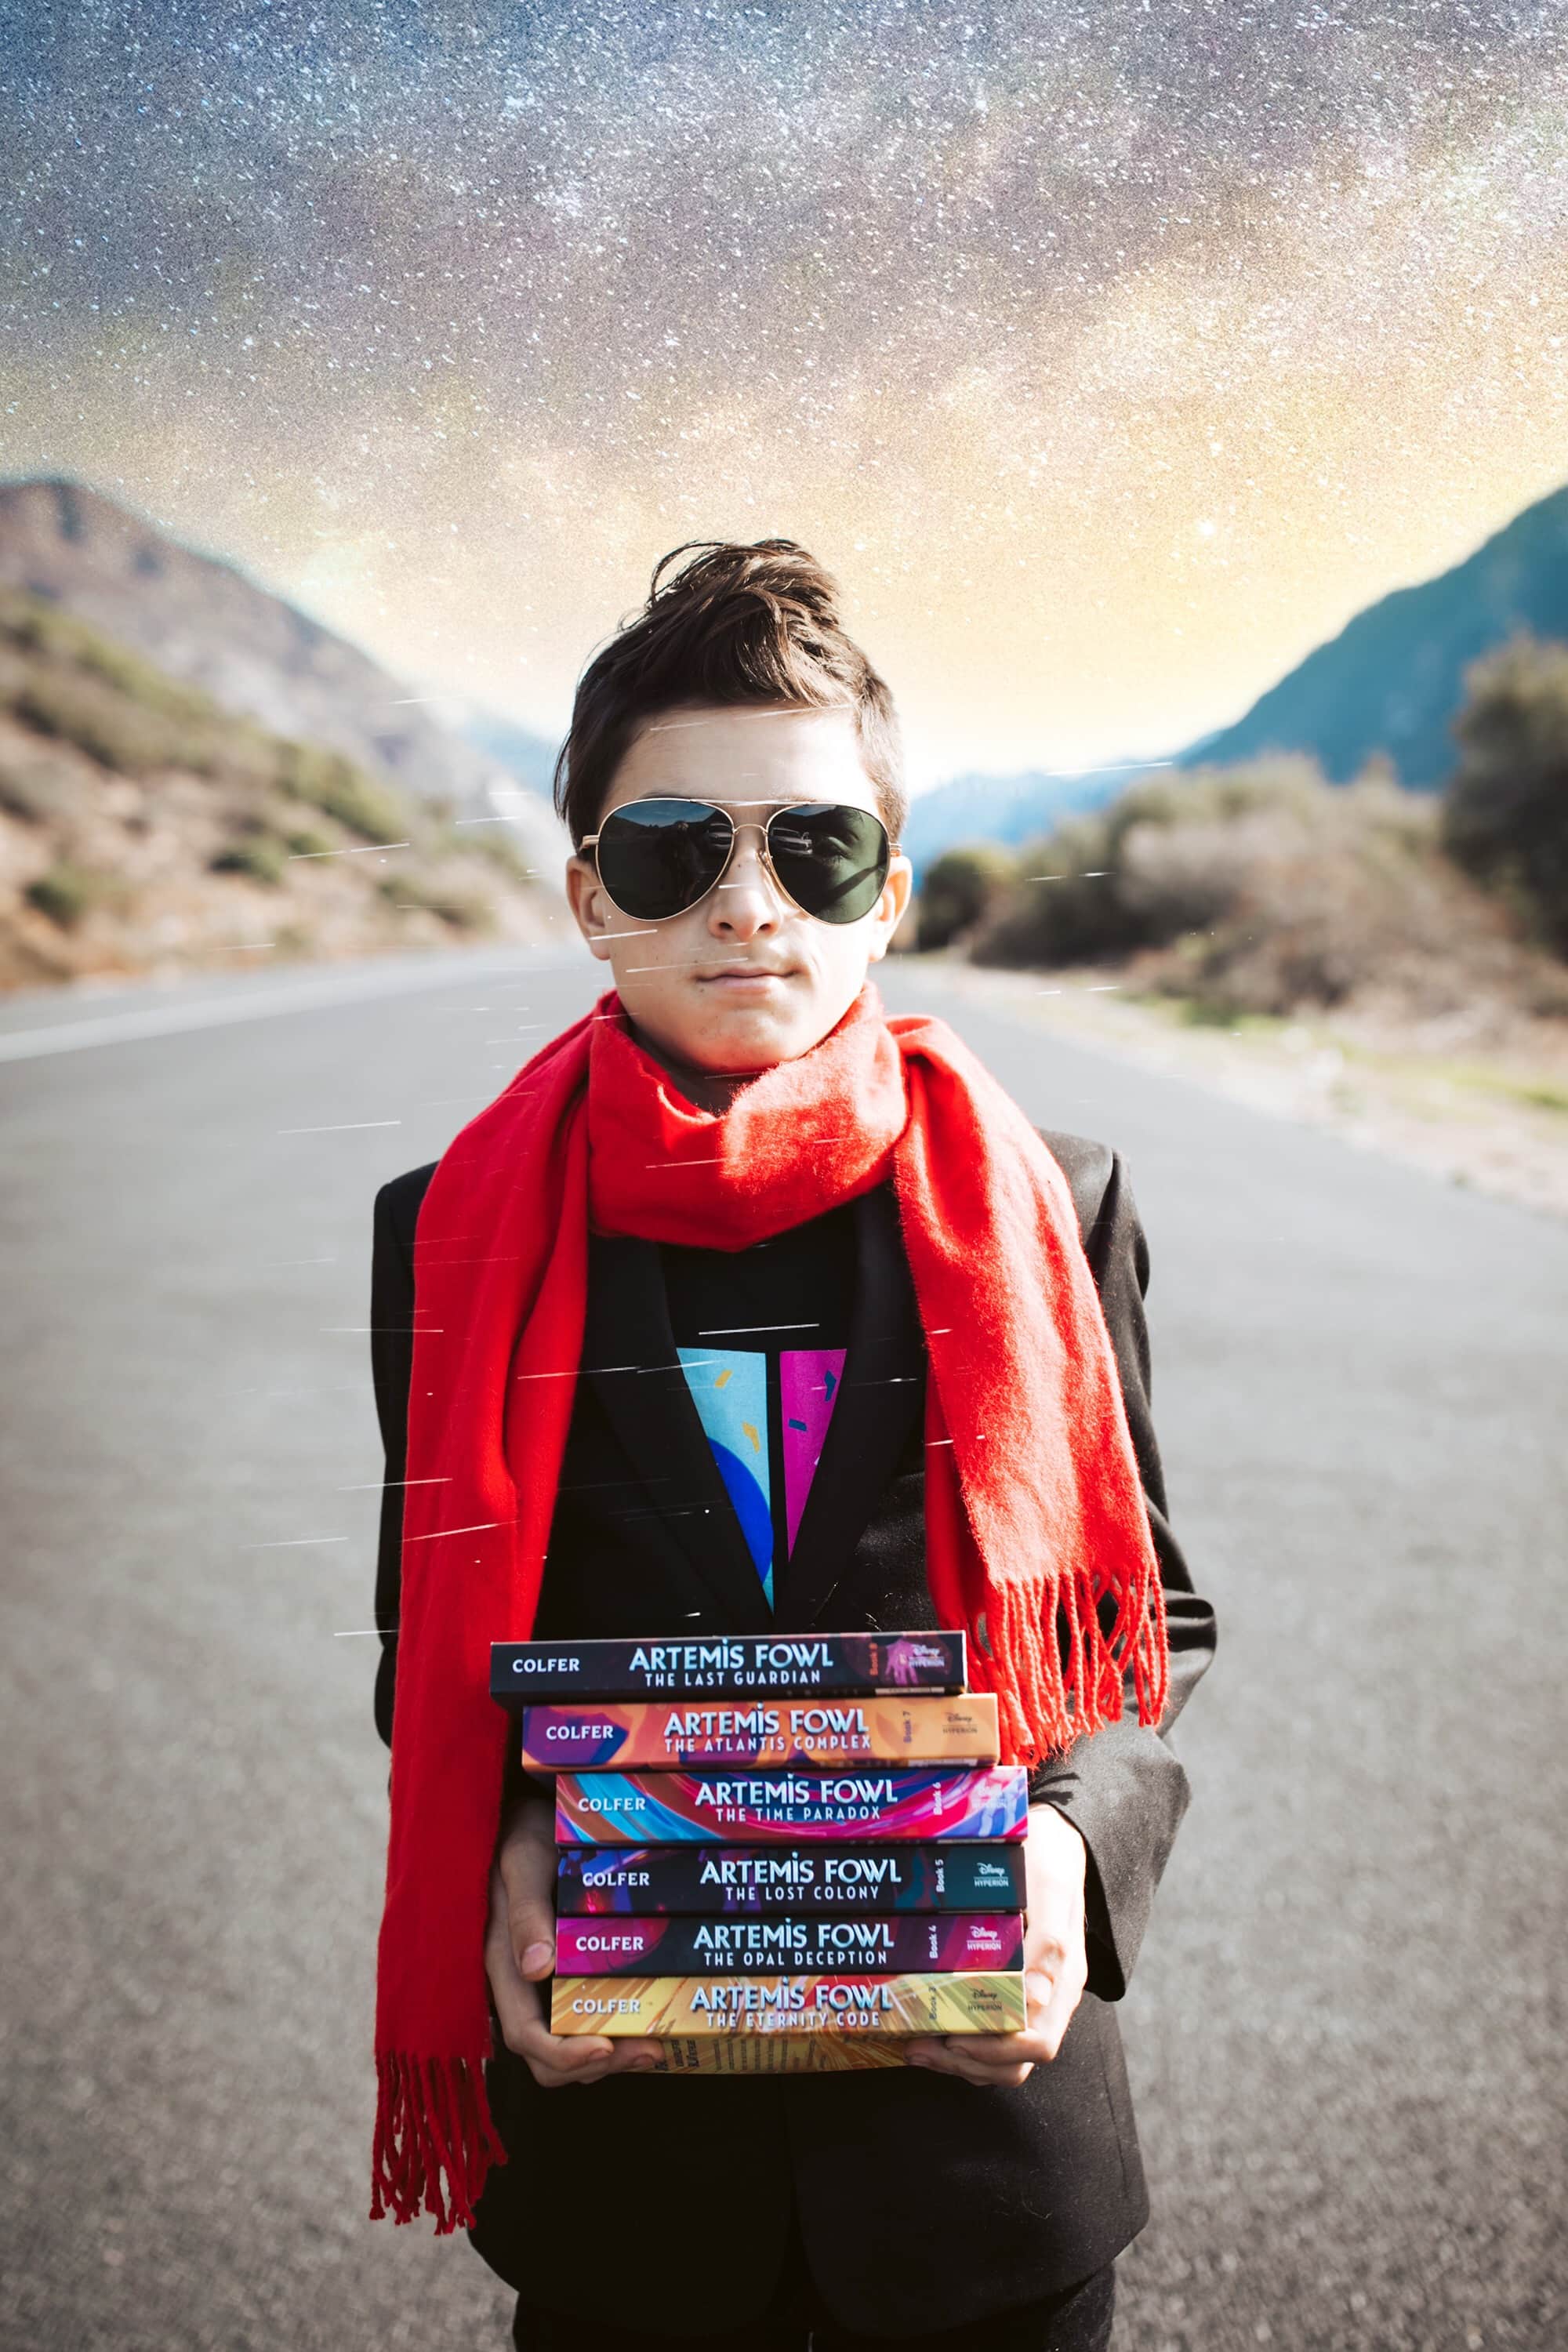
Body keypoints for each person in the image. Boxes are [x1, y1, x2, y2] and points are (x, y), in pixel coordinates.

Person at [367, 539, 1217, 2350]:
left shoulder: (1051, 1206)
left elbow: (1153, 1633)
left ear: (888, 890)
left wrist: (1063, 1860)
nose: (751, 907)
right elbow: (423, 1646)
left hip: (976, 2144)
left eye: (811, 848)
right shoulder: (446, 1228)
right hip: (626, 2156)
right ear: (592, 895)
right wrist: (517, 1844)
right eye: (680, 854)